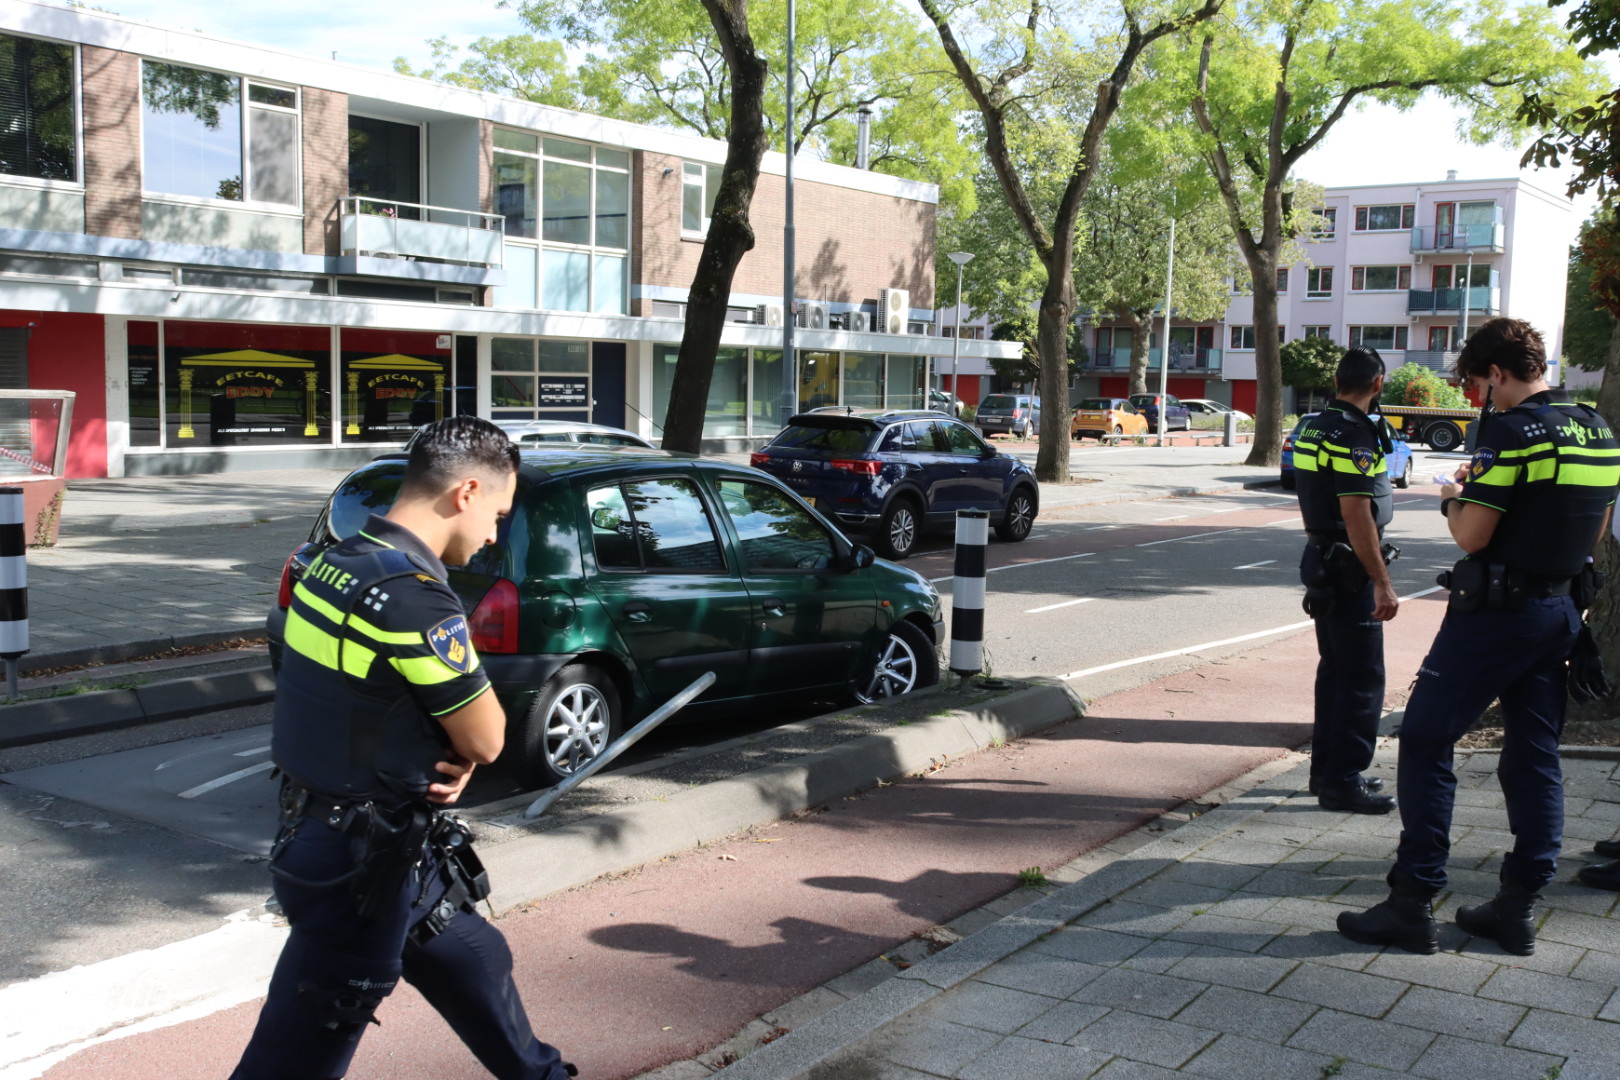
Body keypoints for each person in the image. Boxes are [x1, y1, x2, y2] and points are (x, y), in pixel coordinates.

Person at [232, 416, 575, 1080]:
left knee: (473, 956)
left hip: (349, 837)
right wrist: (465, 750)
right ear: (466, 492)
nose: (493, 534)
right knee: (297, 1056)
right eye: (497, 514)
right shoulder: (412, 598)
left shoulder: (335, 563)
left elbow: (350, 697)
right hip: (358, 862)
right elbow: (488, 737)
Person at [1337, 317, 1620, 956]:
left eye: (1476, 384)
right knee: (1535, 754)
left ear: (1496, 373)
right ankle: (1516, 906)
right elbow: (1596, 532)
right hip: (1559, 614)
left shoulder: (1512, 432)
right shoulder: (1596, 429)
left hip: (1495, 616)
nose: (1478, 397)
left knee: (1426, 738)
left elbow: (1471, 535)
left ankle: (1412, 902)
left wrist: (1453, 496)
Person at [1291, 347, 1400, 814]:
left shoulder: (1313, 426)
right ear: (1377, 384)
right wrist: (1382, 582)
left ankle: (1326, 771)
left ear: (1336, 382)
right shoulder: (1355, 435)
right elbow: (1357, 514)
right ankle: (1343, 781)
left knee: (1334, 671)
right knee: (1362, 678)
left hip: (1320, 557)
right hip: (1349, 566)